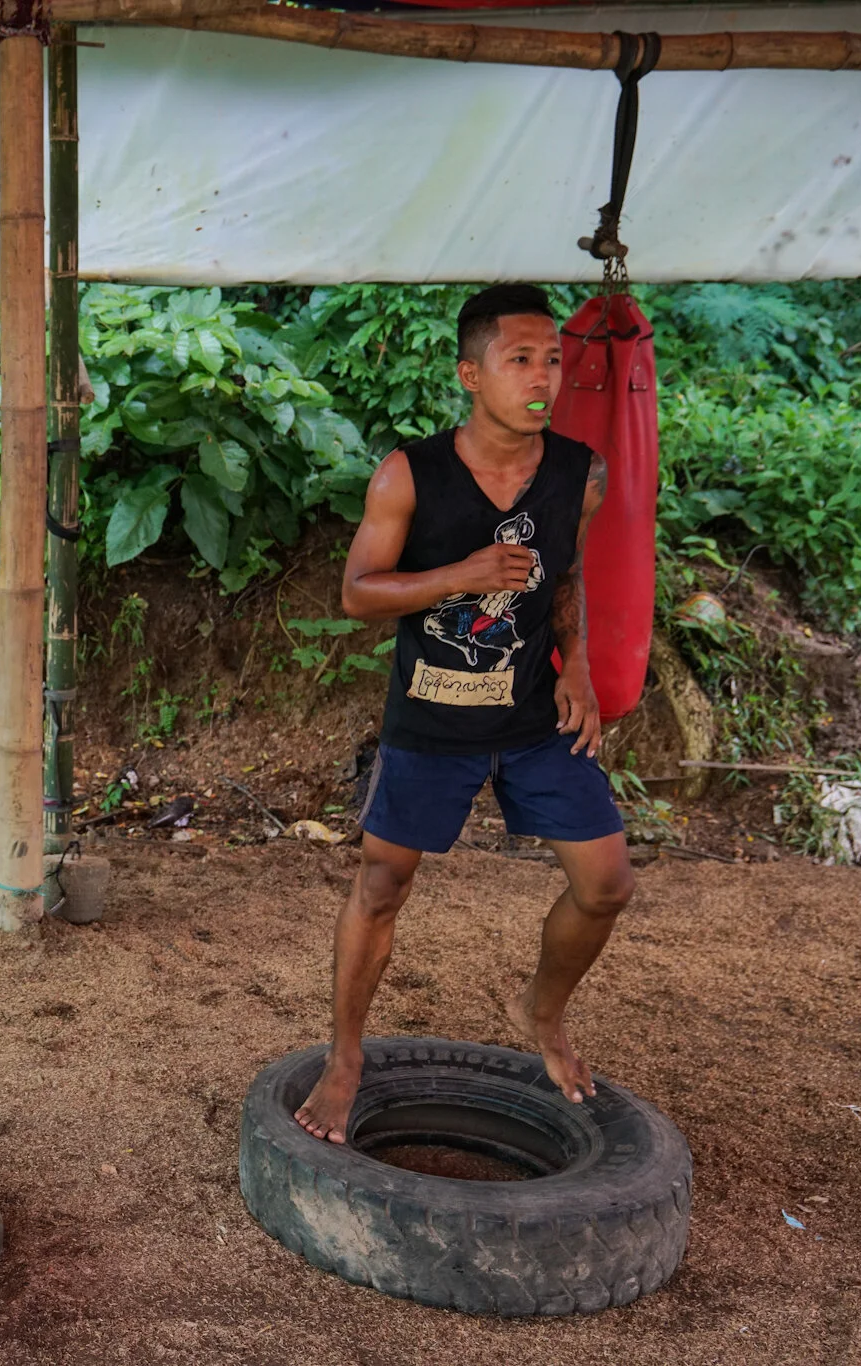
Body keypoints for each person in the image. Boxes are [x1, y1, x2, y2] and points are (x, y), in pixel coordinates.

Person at [293, 284, 635, 1144]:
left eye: (552, 359)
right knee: (382, 886)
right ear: (469, 374)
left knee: (606, 885)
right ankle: (345, 1056)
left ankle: (541, 1011)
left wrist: (579, 666)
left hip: (534, 718)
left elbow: (566, 574)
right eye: (519, 359)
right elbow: (357, 594)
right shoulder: (409, 473)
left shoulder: (581, 473)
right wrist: (461, 576)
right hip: (431, 720)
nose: (542, 377)